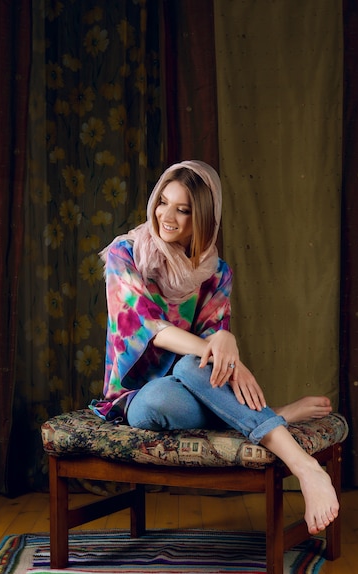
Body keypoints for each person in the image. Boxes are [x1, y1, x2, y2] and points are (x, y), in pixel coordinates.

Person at [93, 159, 339, 536]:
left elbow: (215, 353)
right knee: (183, 372)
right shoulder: (125, 254)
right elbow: (150, 329)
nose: (167, 216)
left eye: (183, 209)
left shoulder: (217, 272)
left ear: (204, 217)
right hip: (141, 397)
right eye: (163, 201)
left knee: (192, 367)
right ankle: (284, 427)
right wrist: (221, 347)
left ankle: (306, 470)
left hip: (196, 384)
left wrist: (226, 339)